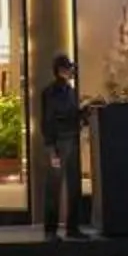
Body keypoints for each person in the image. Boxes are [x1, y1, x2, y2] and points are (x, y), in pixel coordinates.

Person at [38, 53, 90, 238]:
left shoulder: (70, 90)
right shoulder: (51, 92)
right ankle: (51, 230)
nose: (71, 71)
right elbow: (48, 120)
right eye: (68, 68)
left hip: (71, 141)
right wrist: (51, 147)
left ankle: (72, 227)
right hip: (59, 143)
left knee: (74, 186)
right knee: (54, 187)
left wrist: (84, 113)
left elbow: (72, 115)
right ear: (60, 70)